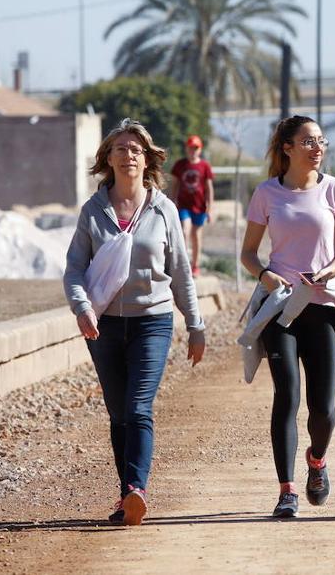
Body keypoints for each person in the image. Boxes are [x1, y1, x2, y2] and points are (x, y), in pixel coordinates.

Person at [63, 118, 206, 526]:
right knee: (118, 413)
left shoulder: (163, 209)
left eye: (136, 150)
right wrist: (82, 307)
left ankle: (137, 489)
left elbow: (179, 271)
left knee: (139, 407)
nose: (129, 155)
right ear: (108, 158)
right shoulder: (93, 212)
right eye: (121, 149)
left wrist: (195, 324)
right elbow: (74, 270)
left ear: (148, 160)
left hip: (153, 321)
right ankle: (127, 494)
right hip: (103, 324)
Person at [239, 115, 335, 519]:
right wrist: (265, 274)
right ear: (287, 148)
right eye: (308, 141)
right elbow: (248, 253)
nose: (317, 147)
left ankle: (317, 461)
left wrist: (332, 269)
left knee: (324, 409)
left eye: (320, 140)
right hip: (281, 309)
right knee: (287, 397)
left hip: (324, 306)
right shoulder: (266, 194)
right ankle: (287, 491)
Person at [169, 134, 214, 276]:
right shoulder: (180, 165)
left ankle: (196, 265)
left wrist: (210, 209)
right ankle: (183, 263)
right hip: (183, 206)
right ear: (186, 148)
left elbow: (209, 188)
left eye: (196, 148)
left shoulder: (204, 166)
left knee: (196, 235)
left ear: (200, 149)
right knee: (184, 230)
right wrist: (170, 204)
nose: (193, 150)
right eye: (190, 147)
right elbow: (174, 185)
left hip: (199, 206)